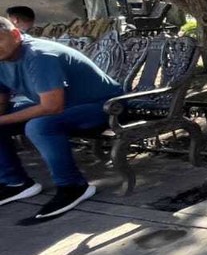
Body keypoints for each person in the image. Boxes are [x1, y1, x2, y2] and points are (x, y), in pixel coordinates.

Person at [0, 17, 123, 222]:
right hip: (62, 104)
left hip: (104, 106)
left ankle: (73, 186)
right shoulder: (3, 58)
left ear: (15, 34)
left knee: (40, 126)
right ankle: (16, 183)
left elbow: (51, 107)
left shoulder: (38, 55)